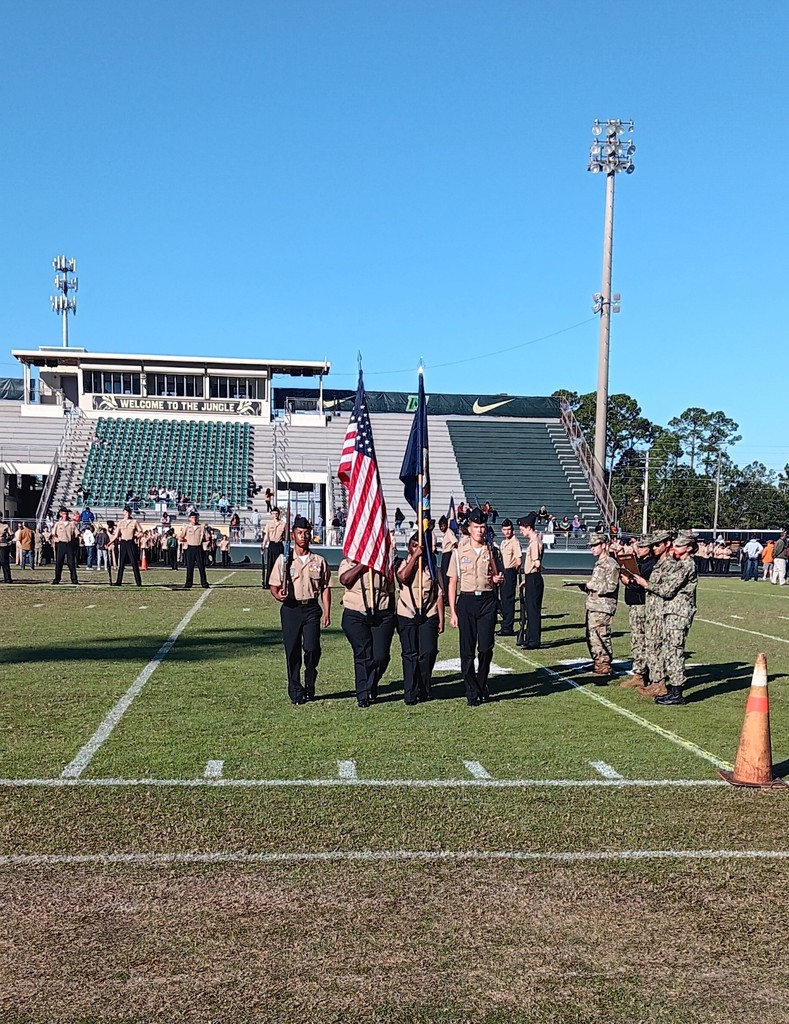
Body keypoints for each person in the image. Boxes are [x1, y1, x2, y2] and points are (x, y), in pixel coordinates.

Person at [624, 532, 698, 707]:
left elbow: (667, 590)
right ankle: (672, 690)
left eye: (679, 546)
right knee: (669, 650)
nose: (675, 549)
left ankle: (676, 692)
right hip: (670, 612)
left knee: (674, 651)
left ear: (688, 547)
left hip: (678, 613)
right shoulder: (679, 563)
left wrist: (645, 584)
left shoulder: (686, 565)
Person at [269, 515, 332, 705]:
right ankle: (296, 690)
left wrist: (327, 612)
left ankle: (310, 681)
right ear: (293, 535)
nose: (303, 536)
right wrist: (277, 594)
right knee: (292, 651)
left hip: (311, 608)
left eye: (306, 533)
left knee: (312, 649)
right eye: (299, 533)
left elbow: (326, 587)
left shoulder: (319, 561)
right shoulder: (284, 560)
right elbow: (273, 584)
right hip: (291, 608)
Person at [447, 507, 504, 706]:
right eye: (476, 526)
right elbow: (452, 582)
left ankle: (482, 683)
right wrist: (453, 611)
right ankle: (472, 690)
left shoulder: (493, 550)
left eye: (482, 526)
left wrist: (499, 578)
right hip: (467, 601)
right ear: (469, 528)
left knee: (486, 647)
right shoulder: (459, 551)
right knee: (467, 650)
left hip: (487, 600)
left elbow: (498, 577)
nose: (480, 530)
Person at [339, 557, 396, 708]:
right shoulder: (348, 563)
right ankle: (363, 694)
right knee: (363, 653)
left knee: (380, 657)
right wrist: (363, 565)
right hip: (355, 613)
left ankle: (371, 684)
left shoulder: (384, 564)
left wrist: (391, 614)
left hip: (382, 614)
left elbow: (390, 591)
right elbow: (345, 580)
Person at [395, 532, 445, 704]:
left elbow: (438, 593)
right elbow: (402, 577)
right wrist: (414, 558)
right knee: (410, 654)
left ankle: (424, 687)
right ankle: (410, 691)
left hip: (428, 613)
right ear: (409, 546)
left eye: (419, 546)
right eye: (413, 545)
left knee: (428, 652)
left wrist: (441, 619)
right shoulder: (402, 563)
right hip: (407, 613)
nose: (417, 548)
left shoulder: (431, 565)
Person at [619, 534, 658, 689]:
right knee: (636, 640)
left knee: (641, 640)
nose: (639, 549)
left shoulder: (652, 564)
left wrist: (628, 581)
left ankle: (642, 674)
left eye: (642, 547)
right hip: (635, 604)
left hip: (643, 605)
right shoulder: (639, 562)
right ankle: (639, 672)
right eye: (638, 546)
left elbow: (642, 584)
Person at [580, 532, 620, 677]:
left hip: (603, 607)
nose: (593, 548)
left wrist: (593, 586)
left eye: (595, 545)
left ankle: (604, 663)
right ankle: (598, 661)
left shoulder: (610, 564)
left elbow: (611, 586)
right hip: (594, 605)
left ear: (604, 545)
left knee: (601, 635)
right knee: (592, 636)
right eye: (591, 546)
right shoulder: (600, 564)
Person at [517, 513, 544, 649]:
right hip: (532, 578)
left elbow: (537, 563)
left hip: (533, 577)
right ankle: (530, 638)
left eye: (522, 528)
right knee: (531, 609)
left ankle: (533, 640)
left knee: (532, 610)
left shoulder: (534, 542)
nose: (521, 531)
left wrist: (528, 574)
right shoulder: (535, 541)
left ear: (528, 527)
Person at [497, 519, 522, 637]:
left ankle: (508, 627)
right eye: (505, 529)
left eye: (509, 529)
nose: (507, 532)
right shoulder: (504, 542)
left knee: (508, 601)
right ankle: (505, 625)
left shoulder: (514, 542)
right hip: (503, 571)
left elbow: (518, 561)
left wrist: (512, 573)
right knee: (503, 600)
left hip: (510, 571)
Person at [109, 506, 144, 586]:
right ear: (123, 513)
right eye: (125, 512)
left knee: (134, 562)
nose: (127, 514)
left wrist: (136, 536)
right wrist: (109, 543)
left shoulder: (134, 522)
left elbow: (141, 533)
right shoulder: (121, 522)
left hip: (131, 542)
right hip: (123, 543)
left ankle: (138, 582)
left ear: (130, 513)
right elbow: (116, 535)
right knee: (121, 563)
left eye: (128, 512)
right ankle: (118, 581)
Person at [50, 507, 80, 585]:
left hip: (69, 544)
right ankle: (57, 579)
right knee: (59, 562)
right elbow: (53, 533)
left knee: (71, 563)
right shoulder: (58, 524)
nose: (65, 515)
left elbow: (77, 533)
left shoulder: (71, 523)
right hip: (61, 544)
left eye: (66, 513)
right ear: (60, 514)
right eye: (63, 513)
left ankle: (74, 579)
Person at [183, 510, 210, 589]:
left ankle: (204, 583)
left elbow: (207, 537)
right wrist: (186, 541)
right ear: (189, 518)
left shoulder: (201, 527)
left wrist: (204, 543)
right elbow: (181, 536)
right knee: (189, 566)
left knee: (201, 566)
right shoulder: (187, 527)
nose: (194, 519)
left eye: (195, 517)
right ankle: (188, 583)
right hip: (190, 548)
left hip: (199, 547)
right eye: (192, 517)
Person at [262, 507, 286, 586]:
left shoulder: (283, 524)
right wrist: (263, 546)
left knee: (280, 565)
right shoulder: (269, 524)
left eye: (276, 513)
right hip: (272, 545)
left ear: (279, 514)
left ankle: (280, 583)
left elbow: (285, 537)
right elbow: (266, 536)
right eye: (273, 513)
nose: (275, 515)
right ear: (272, 514)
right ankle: (268, 583)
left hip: (279, 545)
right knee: (270, 564)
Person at [437, 516, 458, 607]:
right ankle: (446, 597)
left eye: (443, 525)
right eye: (440, 526)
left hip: (448, 554)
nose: (442, 528)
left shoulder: (449, 532)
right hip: (445, 554)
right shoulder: (445, 534)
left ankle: (447, 599)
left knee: (446, 577)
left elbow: (455, 542)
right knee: (443, 576)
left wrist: (454, 551)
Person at [0, 516, 13, 583]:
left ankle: (7, 578)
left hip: (3, 545)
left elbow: (12, 534)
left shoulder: (5, 525)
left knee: (4, 562)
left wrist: (8, 540)